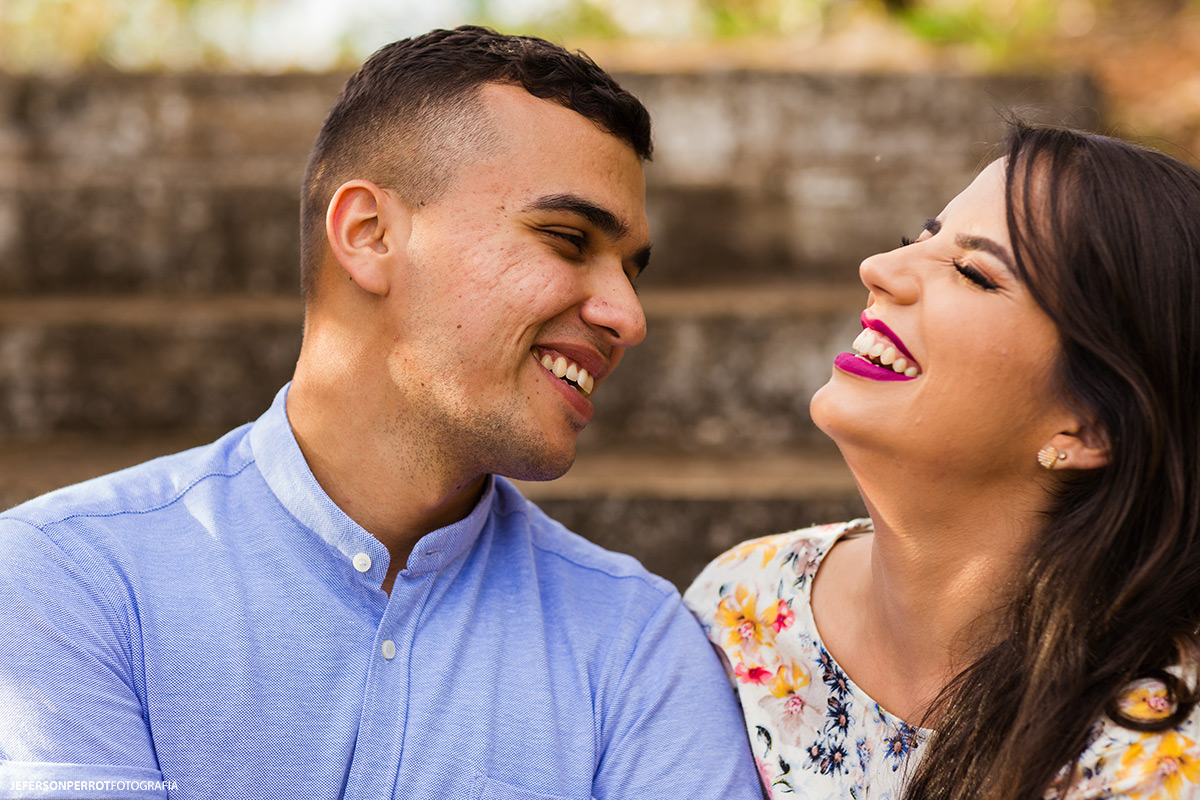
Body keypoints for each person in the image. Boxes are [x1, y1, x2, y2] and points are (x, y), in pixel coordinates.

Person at [0, 27, 761, 800]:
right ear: (368, 235)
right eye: (568, 239)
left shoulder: (638, 646)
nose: (628, 316)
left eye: (631, 272)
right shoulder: (70, 581)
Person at [685, 120, 1200, 799]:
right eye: (920, 238)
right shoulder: (743, 606)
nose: (879, 269)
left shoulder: (1162, 748)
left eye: (972, 271)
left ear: (1091, 426)